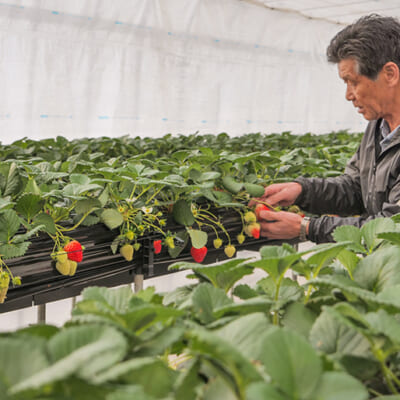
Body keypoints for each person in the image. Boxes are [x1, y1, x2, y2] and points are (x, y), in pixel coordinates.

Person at [250, 14, 400, 243]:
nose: (349, 95)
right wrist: (302, 191)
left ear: (389, 74)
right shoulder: (377, 126)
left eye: (354, 82)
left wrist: (308, 228)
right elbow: (356, 189)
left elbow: (393, 228)